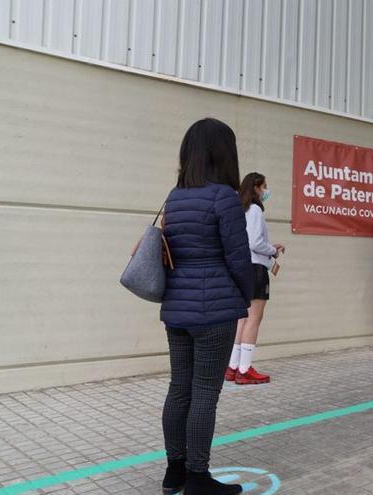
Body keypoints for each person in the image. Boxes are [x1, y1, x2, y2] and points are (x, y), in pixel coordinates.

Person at [159, 118, 252, 495]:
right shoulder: (224, 197)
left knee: (179, 388)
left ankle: (174, 472)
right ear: (223, 154)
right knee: (204, 393)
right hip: (214, 310)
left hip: (176, 307)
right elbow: (239, 258)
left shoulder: (173, 196)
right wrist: (244, 297)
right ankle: (198, 478)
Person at [225, 172, 285, 385]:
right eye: (264, 186)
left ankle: (232, 367)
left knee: (242, 318)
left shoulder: (241, 210)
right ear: (257, 188)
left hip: (241, 268)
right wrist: (273, 250)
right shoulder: (256, 210)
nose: (266, 191)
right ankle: (244, 369)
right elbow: (255, 243)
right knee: (254, 319)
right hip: (256, 269)